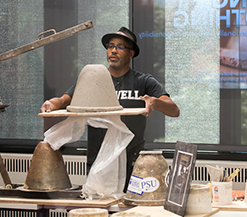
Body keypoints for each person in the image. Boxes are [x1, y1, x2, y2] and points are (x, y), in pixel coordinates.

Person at [41, 27, 180, 192]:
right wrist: (51, 103)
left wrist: (155, 102)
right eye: (110, 46)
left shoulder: (143, 81)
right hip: (99, 160)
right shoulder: (94, 79)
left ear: (131, 53)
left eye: (120, 47)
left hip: (132, 162)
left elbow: (174, 110)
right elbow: (64, 100)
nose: (113, 50)